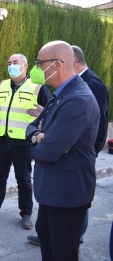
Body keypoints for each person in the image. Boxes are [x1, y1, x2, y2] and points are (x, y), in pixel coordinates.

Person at [27, 45, 109, 246]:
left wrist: (40, 139)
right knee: (48, 247)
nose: (36, 67)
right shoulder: (60, 93)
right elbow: (31, 128)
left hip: (66, 194)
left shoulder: (78, 98)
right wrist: (38, 137)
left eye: (39, 62)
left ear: (56, 65)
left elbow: (47, 151)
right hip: (52, 191)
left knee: (62, 252)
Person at [0, 54, 50, 230]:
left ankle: (26, 213)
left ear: (25, 66)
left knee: (24, 179)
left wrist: (42, 115)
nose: (11, 66)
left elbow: (49, 116)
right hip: (2, 140)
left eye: (15, 63)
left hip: (23, 142)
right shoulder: (1, 86)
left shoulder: (38, 88)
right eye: (9, 63)